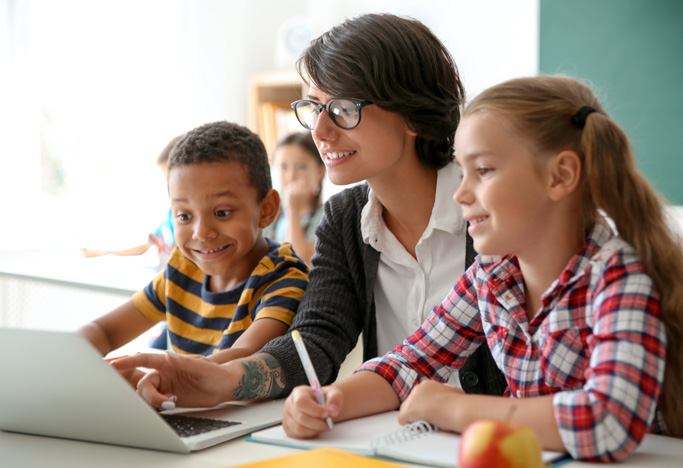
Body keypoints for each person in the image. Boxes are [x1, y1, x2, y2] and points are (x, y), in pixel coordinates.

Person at [281, 75, 683, 462]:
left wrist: (457, 407)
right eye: (463, 172)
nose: (461, 194)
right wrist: (330, 400)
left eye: (483, 171)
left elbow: (608, 420)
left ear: (561, 176)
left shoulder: (618, 275)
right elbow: (408, 364)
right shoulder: (493, 273)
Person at [112, 13, 506, 409]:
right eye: (315, 107)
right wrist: (224, 379)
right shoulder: (347, 218)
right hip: (393, 438)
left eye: (343, 108)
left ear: (412, 111)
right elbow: (316, 340)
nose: (319, 131)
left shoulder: (495, 211)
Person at [79, 121, 310, 392]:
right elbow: (104, 332)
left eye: (222, 212)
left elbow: (245, 354)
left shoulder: (283, 276)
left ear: (267, 209)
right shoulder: (181, 270)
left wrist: (156, 379)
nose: (202, 233)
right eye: (184, 216)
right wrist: (74, 355)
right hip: (184, 418)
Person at [81, 134, 182, 262]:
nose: (168, 183)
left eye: (170, 176)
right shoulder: (169, 217)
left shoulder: (187, 220)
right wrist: (103, 252)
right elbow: (144, 247)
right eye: (165, 177)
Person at [265, 131, 325, 265]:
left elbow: (297, 261)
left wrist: (293, 210)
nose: (291, 176)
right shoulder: (270, 217)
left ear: (320, 171)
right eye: (283, 167)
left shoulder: (326, 219)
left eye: (301, 167)